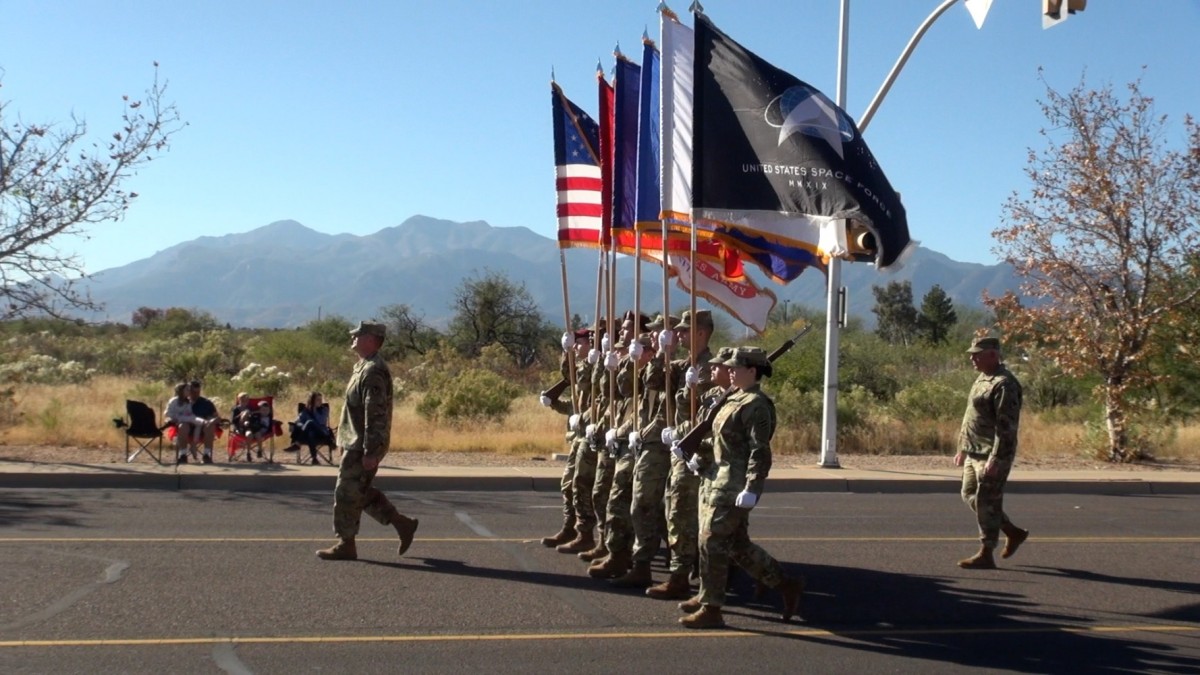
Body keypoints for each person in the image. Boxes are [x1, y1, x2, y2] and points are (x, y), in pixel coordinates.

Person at [678, 346, 803, 629]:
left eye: (736, 367)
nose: (730, 370)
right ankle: (785, 584)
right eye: (730, 366)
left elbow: (760, 450)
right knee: (735, 545)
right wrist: (699, 456)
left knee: (713, 543)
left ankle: (712, 608)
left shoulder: (757, 405)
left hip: (733, 486)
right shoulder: (733, 398)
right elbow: (722, 441)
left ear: (752, 371)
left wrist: (753, 486)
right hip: (714, 479)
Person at [316, 321, 419, 561]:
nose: (353, 337)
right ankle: (402, 523)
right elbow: (354, 411)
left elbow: (376, 414)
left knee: (346, 492)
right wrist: (344, 437)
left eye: (359, 335)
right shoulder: (363, 366)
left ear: (372, 339)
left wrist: (371, 450)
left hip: (363, 443)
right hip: (354, 441)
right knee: (357, 491)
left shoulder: (374, 371)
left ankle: (346, 543)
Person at [954, 336, 1029, 570]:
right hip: (973, 450)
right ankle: (1012, 531)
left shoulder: (1004, 384)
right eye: (972, 354)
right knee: (969, 495)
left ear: (993, 355)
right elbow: (971, 415)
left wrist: (996, 458)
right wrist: (962, 448)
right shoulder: (982, 378)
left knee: (987, 500)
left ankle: (987, 552)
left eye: (977, 354)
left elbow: (1006, 426)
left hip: (991, 455)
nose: (972, 358)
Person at [539, 328, 597, 549]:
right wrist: (553, 402)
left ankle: (585, 534)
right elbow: (569, 377)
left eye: (579, 344)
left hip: (592, 436)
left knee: (586, 487)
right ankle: (570, 528)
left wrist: (571, 356)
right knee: (570, 485)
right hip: (579, 436)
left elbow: (576, 379)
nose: (576, 348)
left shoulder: (596, 369)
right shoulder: (585, 368)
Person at [287, 391, 336, 465]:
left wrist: (314, 410)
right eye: (318, 400)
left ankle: (297, 443)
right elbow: (298, 421)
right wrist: (301, 424)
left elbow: (321, 421)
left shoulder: (324, 409)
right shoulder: (305, 410)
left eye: (320, 399)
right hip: (310, 435)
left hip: (322, 433)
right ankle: (314, 459)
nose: (320, 402)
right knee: (310, 433)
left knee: (310, 422)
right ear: (311, 401)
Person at [187, 380, 223, 464]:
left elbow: (217, 417)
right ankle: (182, 455)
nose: (195, 394)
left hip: (203, 429)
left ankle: (206, 455)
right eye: (193, 392)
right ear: (189, 391)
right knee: (183, 426)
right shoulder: (184, 402)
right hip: (188, 427)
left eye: (198, 392)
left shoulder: (206, 403)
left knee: (210, 425)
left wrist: (213, 420)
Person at [163, 382, 198, 464]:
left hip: (186, 422)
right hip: (175, 423)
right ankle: (183, 454)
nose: (189, 391)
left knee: (185, 426)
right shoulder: (174, 401)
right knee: (183, 427)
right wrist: (177, 417)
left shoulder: (188, 402)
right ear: (181, 391)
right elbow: (167, 413)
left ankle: (184, 453)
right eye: (187, 390)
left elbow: (189, 413)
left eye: (189, 390)